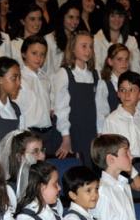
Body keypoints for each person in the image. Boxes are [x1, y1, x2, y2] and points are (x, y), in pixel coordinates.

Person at [102, 70, 140, 196]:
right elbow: (111, 152)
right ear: (117, 93)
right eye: (122, 90)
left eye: (132, 90)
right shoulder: (112, 119)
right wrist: (134, 176)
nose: (126, 94)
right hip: (121, 172)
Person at [53, 31, 98, 164]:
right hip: (71, 132)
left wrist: (99, 134)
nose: (88, 50)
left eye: (91, 46)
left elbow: (101, 109)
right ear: (72, 48)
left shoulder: (95, 75)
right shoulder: (64, 73)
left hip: (89, 131)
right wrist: (66, 138)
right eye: (83, 46)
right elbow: (61, 109)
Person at [15, 36, 57, 154]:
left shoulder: (45, 78)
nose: (38, 58)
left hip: (47, 133)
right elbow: (19, 109)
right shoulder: (20, 78)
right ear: (23, 54)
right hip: (30, 132)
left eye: (42, 54)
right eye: (34, 53)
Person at [93, 2, 140, 73]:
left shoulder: (132, 40)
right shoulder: (96, 39)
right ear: (107, 17)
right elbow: (97, 68)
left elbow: (135, 68)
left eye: (120, 16)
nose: (117, 19)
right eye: (112, 16)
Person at [96, 43, 129, 130]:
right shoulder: (104, 83)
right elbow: (101, 112)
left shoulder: (132, 82)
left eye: (126, 59)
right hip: (111, 129)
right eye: (119, 59)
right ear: (110, 61)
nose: (124, 63)